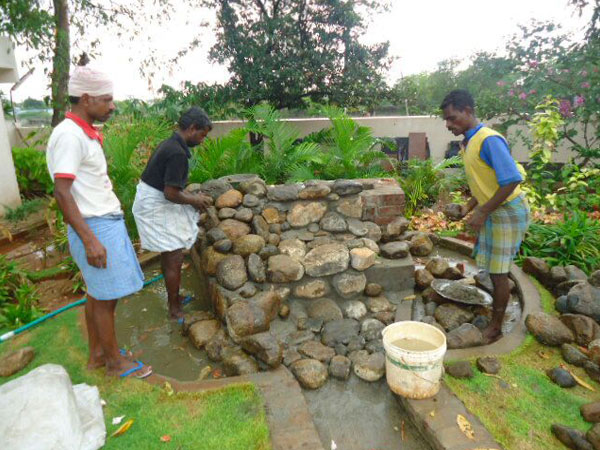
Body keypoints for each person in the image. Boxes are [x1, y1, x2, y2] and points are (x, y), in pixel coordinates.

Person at [46, 64, 152, 378]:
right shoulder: (69, 136)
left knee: (98, 293)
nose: (112, 106)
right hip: (95, 225)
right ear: (87, 98)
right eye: (106, 100)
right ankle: (115, 363)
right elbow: (62, 193)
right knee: (107, 297)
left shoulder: (81, 133)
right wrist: (91, 239)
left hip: (101, 222)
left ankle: (97, 355)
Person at [440, 89, 530, 343]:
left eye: (453, 118)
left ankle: (495, 327)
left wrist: (483, 211)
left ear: (468, 111)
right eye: (446, 120)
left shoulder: (488, 139)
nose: (449, 124)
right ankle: (491, 308)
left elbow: (511, 180)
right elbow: (486, 183)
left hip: (507, 211)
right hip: (495, 208)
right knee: (491, 266)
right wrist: (468, 208)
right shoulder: (468, 142)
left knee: (499, 271)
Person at [132, 107, 213, 321]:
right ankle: (174, 309)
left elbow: (171, 186)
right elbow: (170, 193)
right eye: (202, 135)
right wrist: (195, 200)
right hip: (155, 205)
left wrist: (190, 196)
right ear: (192, 128)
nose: (203, 140)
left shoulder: (171, 144)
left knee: (169, 254)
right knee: (174, 257)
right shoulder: (177, 153)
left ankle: (174, 298)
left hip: (152, 200)